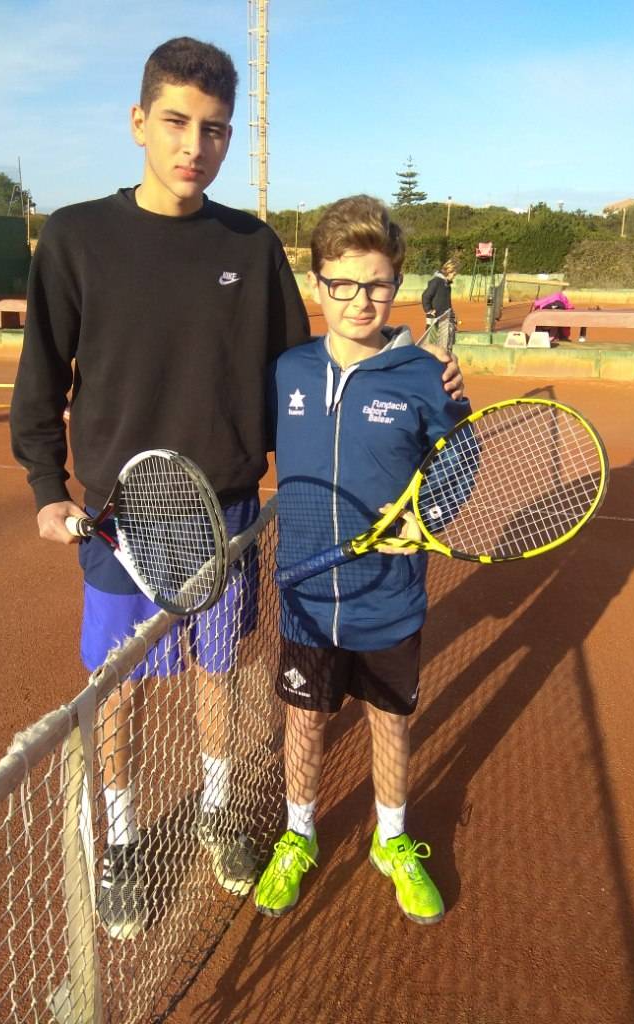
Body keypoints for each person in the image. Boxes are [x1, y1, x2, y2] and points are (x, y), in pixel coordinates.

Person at [10, 37, 463, 941]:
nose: (195, 145)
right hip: (120, 518)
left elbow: (306, 366)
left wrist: (414, 371)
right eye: (176, 122)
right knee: (121, 687)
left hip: (225, 511)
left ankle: (220, 812)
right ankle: (123, 840)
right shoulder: (74, 237)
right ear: (138, 122)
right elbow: (42, 374)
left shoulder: (251, 247)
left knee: (218, 673)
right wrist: (44, 485)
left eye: (214, 129)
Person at [255, 195, 470, 924]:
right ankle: (299, 834)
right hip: (307, 599)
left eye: (376, 284)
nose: (359, 300)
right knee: (305, 722)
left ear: (397, 284)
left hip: (389, 597)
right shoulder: (287, 370)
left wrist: (427, 517)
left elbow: (461, 456)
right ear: (317, 284)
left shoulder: (424, 375)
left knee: (389, 721)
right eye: (342, 283)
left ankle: (392, 839)